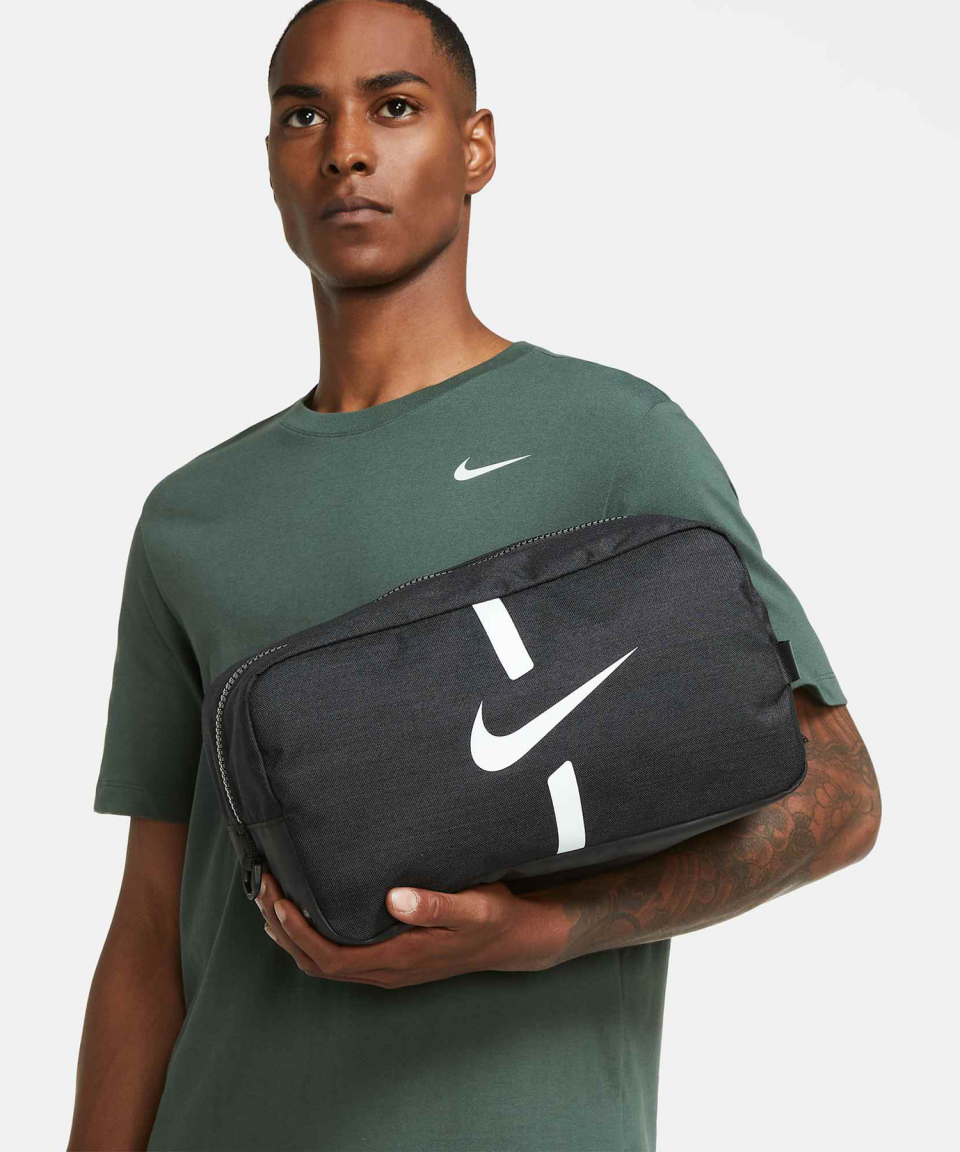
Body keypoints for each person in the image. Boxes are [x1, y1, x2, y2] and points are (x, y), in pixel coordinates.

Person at [69, 2, 881, 1149]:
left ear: (476, 147)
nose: (345, 149)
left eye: (395, 107)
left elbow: (838, 799)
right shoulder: (191, 518)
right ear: (271, 162)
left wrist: (543, 932)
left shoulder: (616, 441)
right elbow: (149, 933)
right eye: (304, 115)